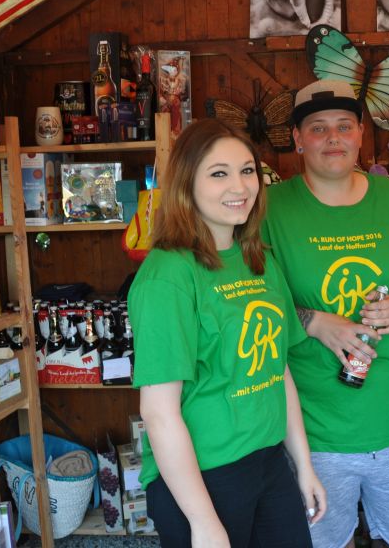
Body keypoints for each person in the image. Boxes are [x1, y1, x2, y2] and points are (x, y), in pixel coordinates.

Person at [262, 79, 389, 548]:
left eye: (344, 126)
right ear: (298, 139)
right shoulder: (269, 209)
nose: (333, 138)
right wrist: (313, 321)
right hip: (313, 430)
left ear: (361, 133)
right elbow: (249, 301)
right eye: (318, 128)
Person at [129, 118, 326, 548]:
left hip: (269, 464)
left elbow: (277, 370)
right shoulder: (168, 275)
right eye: (219, 173)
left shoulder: (258, 259)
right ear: (187, 184)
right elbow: (159, 413)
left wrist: (303, 464)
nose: (240, 186)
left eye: (247, 170)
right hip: (202, 477)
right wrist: (203, 522)